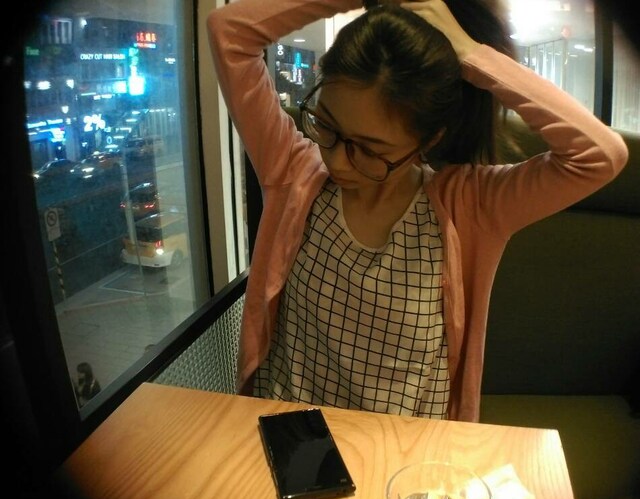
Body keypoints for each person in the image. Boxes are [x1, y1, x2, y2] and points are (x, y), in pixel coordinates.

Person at [207, 0, 628, 423]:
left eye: (370, 150)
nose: (335, 160)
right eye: (327, 126)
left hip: (405, 450)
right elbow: (229, 32)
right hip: (287, 433)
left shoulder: (471, 207)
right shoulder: (294, 173)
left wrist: (471, 54)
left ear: (429, 140)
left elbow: (600, 155)